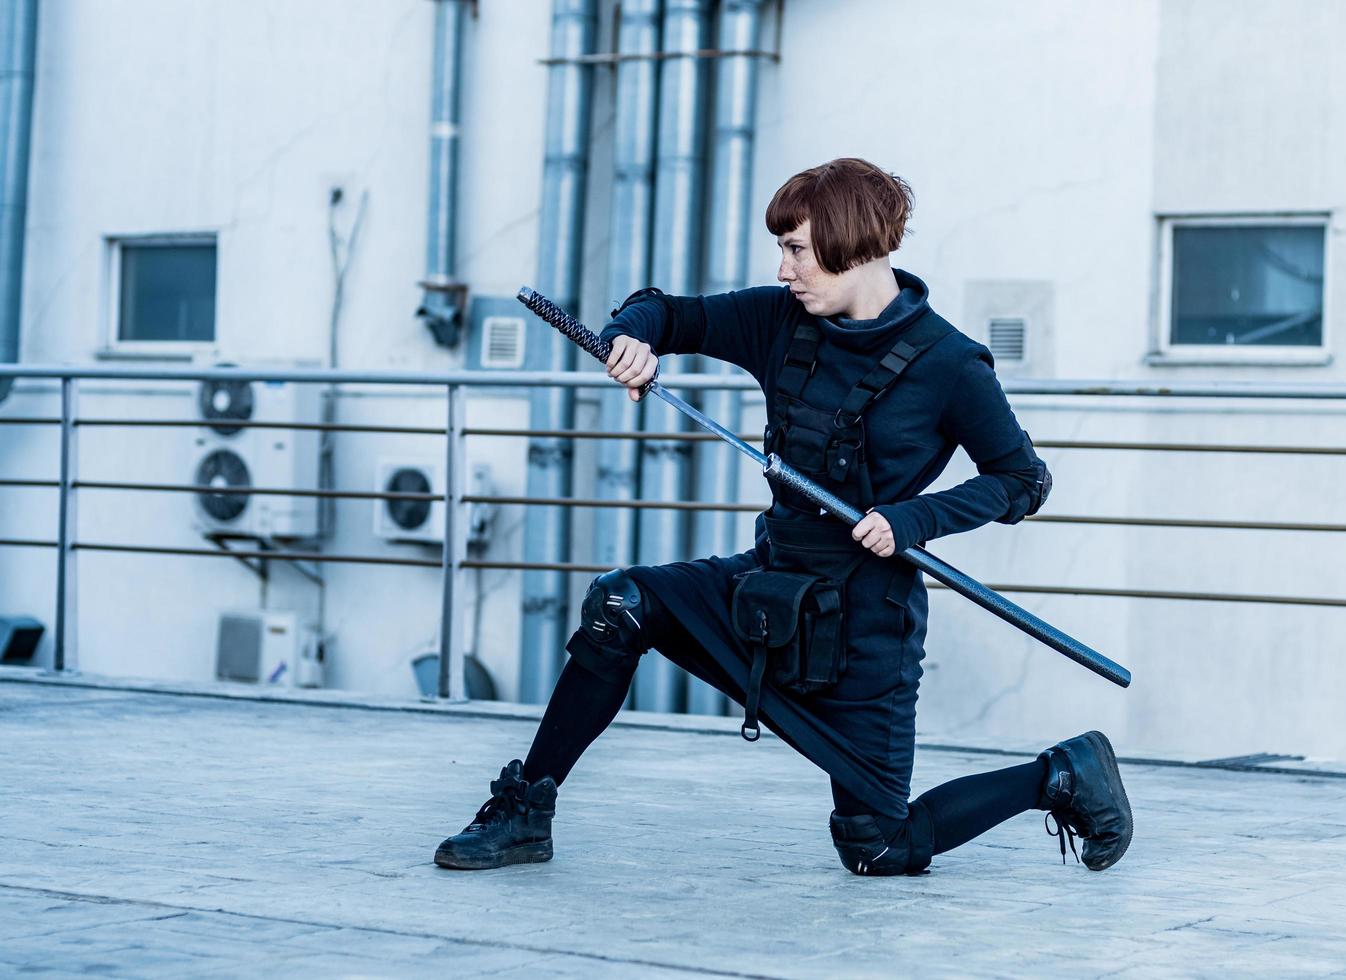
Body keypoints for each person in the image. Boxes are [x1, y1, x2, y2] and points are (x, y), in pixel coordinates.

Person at [435, 158, 1131, 876]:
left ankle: (1060, 774)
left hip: (864, 626)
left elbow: (1022, 480)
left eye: (797, 248)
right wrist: (631, 336)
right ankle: (526, 812)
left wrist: (913, 519)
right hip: (769, 585)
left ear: (854, 243)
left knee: (879, 847)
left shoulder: (951, 365)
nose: (785, 267)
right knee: (622, 604)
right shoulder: (780, 318)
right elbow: (669, 311)